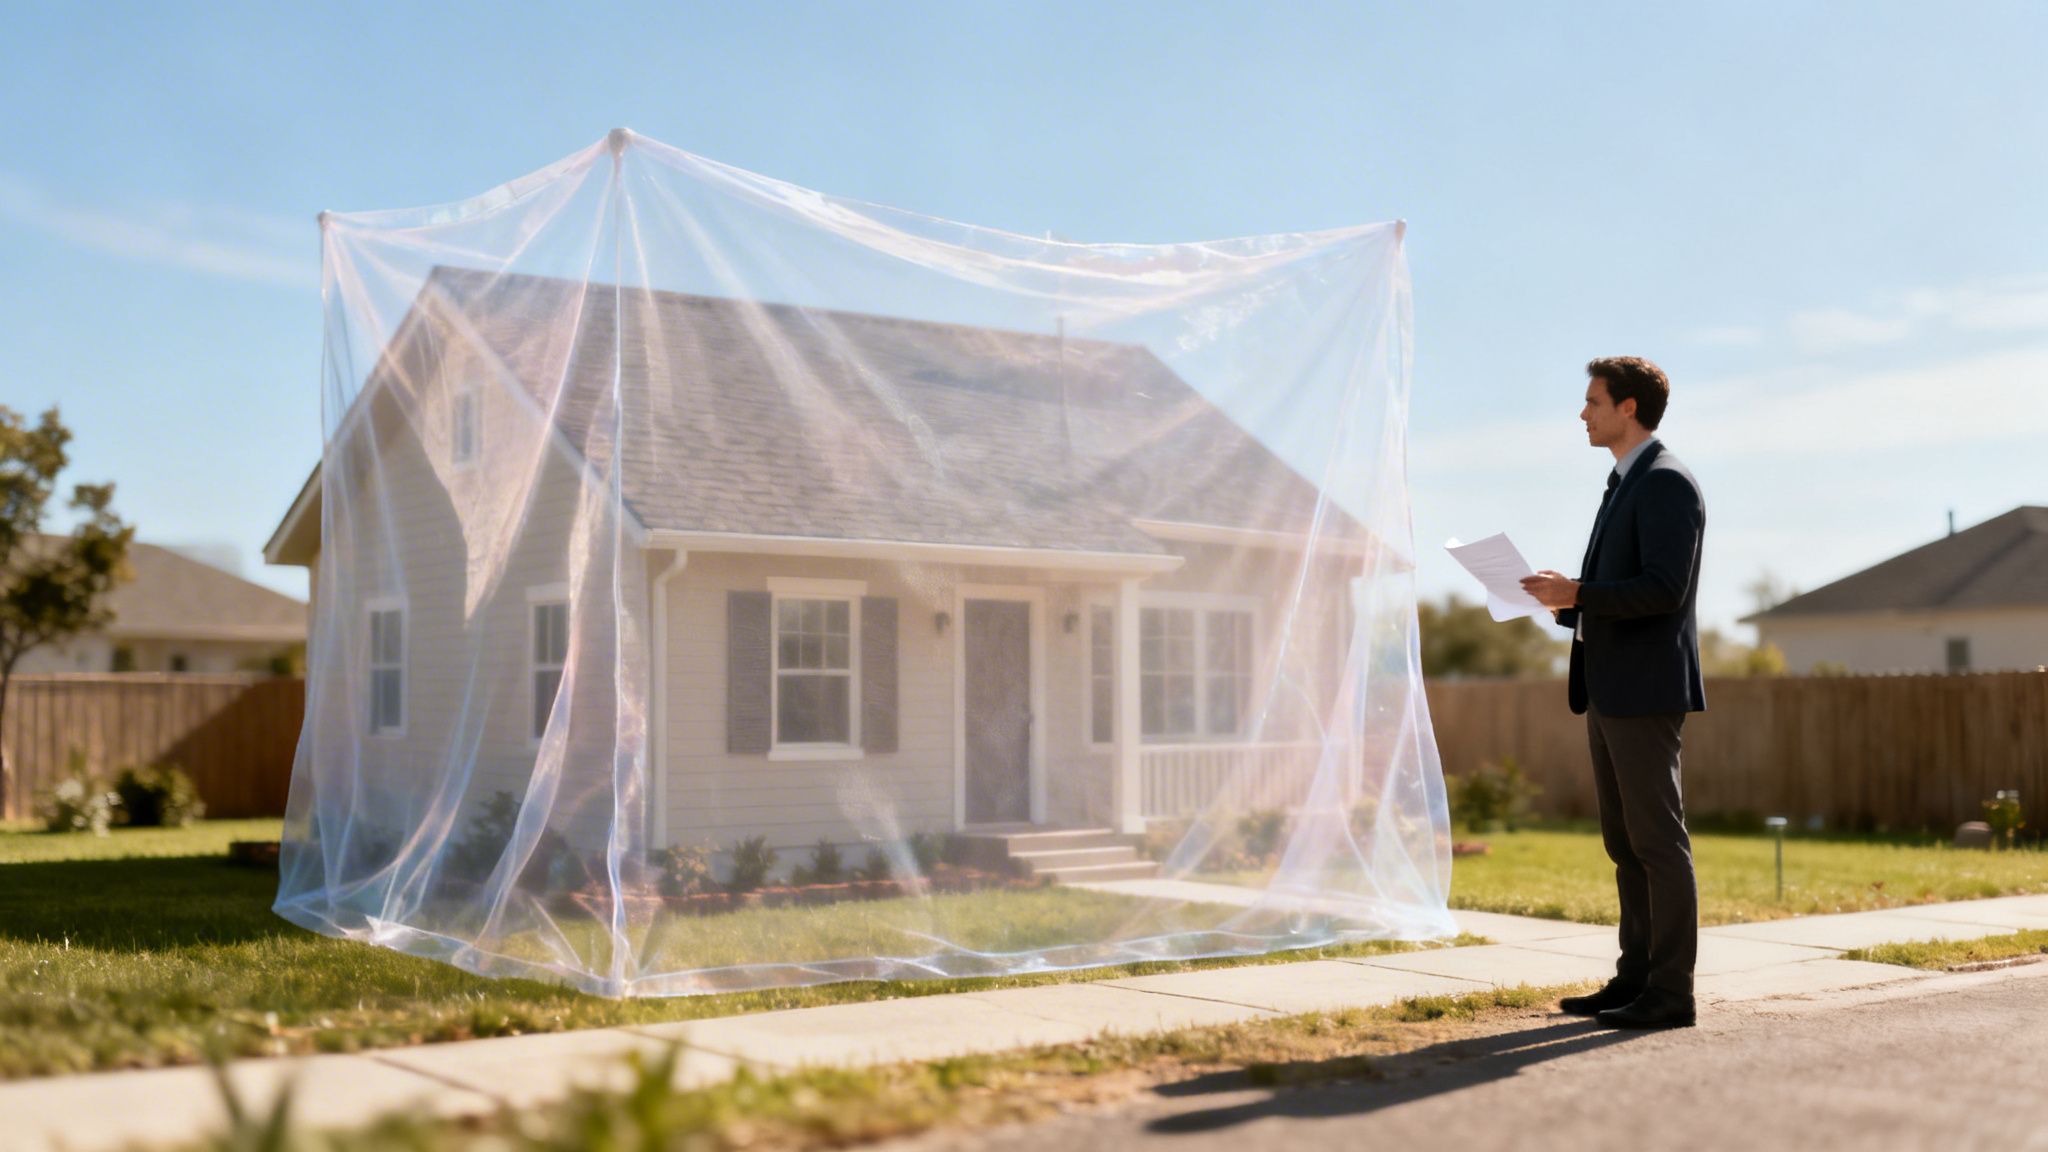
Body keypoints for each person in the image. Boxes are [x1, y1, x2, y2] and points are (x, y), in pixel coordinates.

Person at [1520, 356, 1706, 1030]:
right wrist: (1564, 603)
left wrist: (1581, 593)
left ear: (1629, 408)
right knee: (1626, 844)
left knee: (1658, 843)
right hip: (1608, 688)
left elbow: (1664, 589)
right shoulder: (1623, 482)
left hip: (1645, 691)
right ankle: (1634, 980)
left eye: (1593, 401)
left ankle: (1671, 993)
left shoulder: (1664, 482)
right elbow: (1619, 594)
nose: (1583, 412)